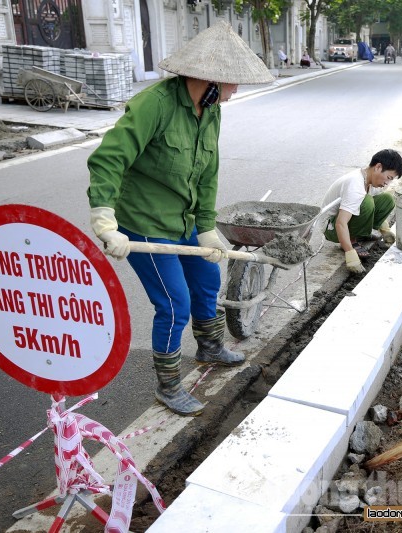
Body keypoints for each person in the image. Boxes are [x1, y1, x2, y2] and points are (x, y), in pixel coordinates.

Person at [86, 21, 274, 416]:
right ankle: (169, 385)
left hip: (184, 222)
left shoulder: (210, 111)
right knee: (174, 303)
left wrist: (206, 228)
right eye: (230, 83)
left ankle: (209, 347)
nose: (234, 91)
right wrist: (104, 218)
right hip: (144, 225)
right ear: (207, 79)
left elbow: (208, 172)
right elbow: (109, 159)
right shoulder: (154, 105)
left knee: (207, 279)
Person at [321, 149, 402, 274]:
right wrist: (350, 254)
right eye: (388, 177)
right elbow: (340, 223)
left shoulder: (370, 180)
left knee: (387, 199)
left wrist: (385, 230)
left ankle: (361, 233)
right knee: (366, 202)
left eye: (391, 179)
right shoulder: (355, 184)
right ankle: (352, 241)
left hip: (344, 220)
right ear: (378, 167)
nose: (387, 182)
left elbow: (378, 204)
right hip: (331, 227)